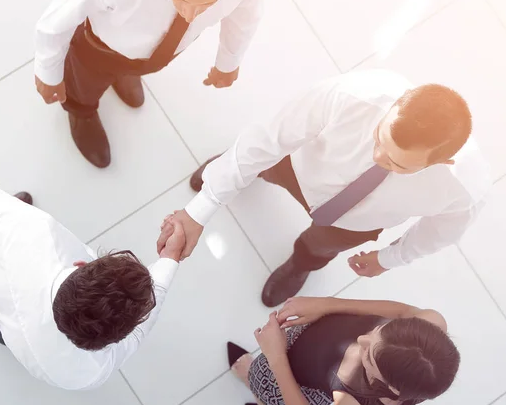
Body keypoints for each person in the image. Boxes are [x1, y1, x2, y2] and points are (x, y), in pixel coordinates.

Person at [160, 69, 491, 307]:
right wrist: (204, 207)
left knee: (319, 247)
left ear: (441, 163)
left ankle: (299, 265)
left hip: (354, 223)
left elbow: (438, 233)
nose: (378, 157)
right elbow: (270, 138)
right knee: (261, 162)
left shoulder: (464, 189)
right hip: (299, 165)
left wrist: (391, 258)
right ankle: (226, 168)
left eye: (398, 164)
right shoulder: (354, 94)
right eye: (380, 139)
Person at [34, 0, 268, 168]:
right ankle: (81, 111)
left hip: (157, 52)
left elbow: (247, 11)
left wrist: (228, 61)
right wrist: (48, 72)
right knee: (83, 83)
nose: (190, 15)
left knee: (144, 61)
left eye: (206, 2)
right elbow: (58, 18)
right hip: (100, 47)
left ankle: (127, 73)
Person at [0, 181, 185, 390]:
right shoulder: (87, 374)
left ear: (81, 264)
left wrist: (10, 213)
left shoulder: (30, 230)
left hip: (6, 260)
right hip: (22, 346)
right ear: (116, 339)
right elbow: (141, 330)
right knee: (3, 328)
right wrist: (170, 256)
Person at [227, 296, 459, 405]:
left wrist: (276, 357)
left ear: (393, 387)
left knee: (262, 388)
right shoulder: (431, 323)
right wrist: (326, 305)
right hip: (313, 340)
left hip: (299, 381)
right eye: (378, 330)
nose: (361, 339)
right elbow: (401, 311)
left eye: (368, 356)